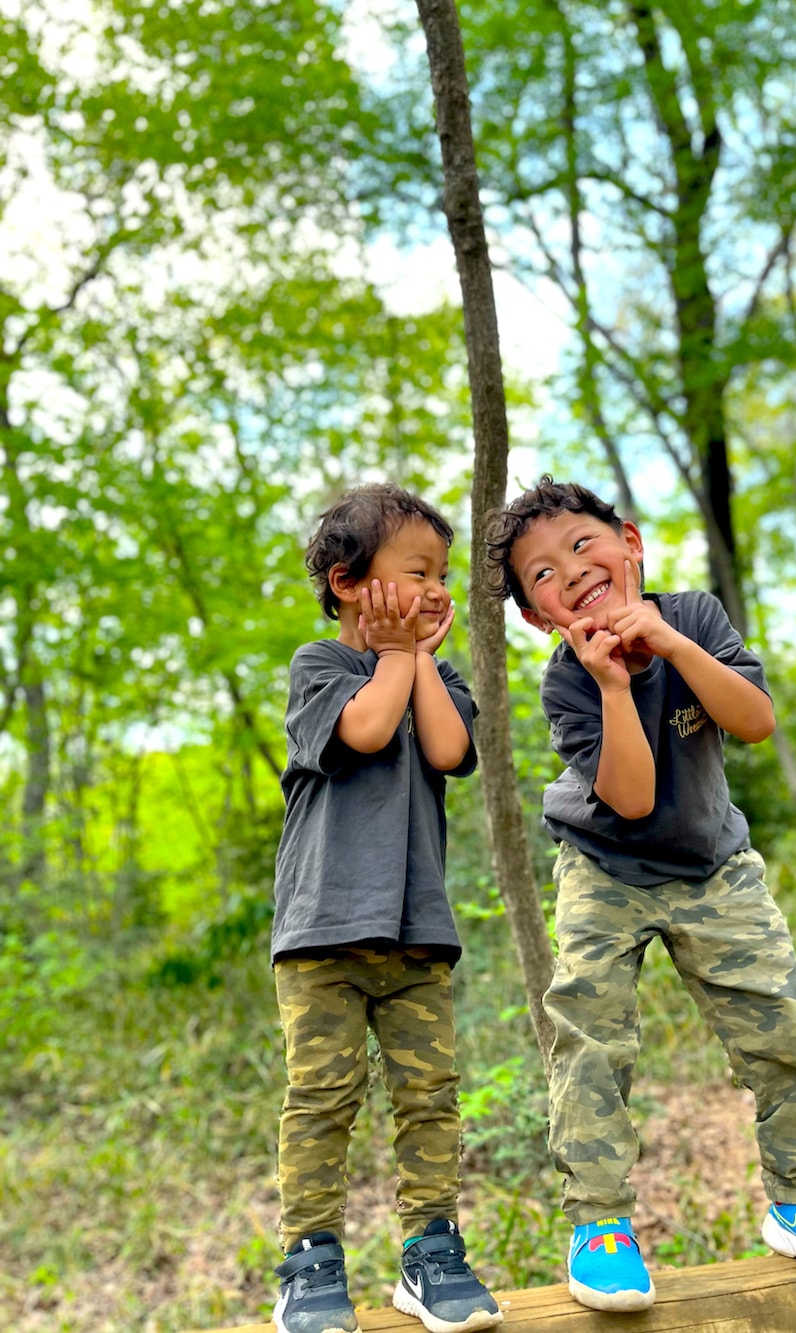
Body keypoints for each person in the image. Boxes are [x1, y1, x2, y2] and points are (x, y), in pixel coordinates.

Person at [484, 476, 796, 1314]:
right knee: (591, 1039)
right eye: (543, 575)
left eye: (583, 545)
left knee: (782, 1025)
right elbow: (627, 798)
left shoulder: (693, 615)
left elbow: (754, 718)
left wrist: (667, 644)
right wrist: (618, 685)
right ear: (535, 616)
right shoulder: (568, 682)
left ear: (630, 542)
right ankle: (599, 1225)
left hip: (713, 862)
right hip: (605, 869)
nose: (572, 572)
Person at [271, 482, 502, 1333]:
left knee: (430, 1093)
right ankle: (309, 1259)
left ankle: (432, 1249)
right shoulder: (319, 667)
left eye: (443, 572)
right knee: (322, 1095)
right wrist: (397, 655)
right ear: (346, 582)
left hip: (417, 935)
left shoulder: (435, 677)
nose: (439, 587)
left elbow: (448, 747)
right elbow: (365, 731)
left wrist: (414, 655)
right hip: (322, 932)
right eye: (419, 569)